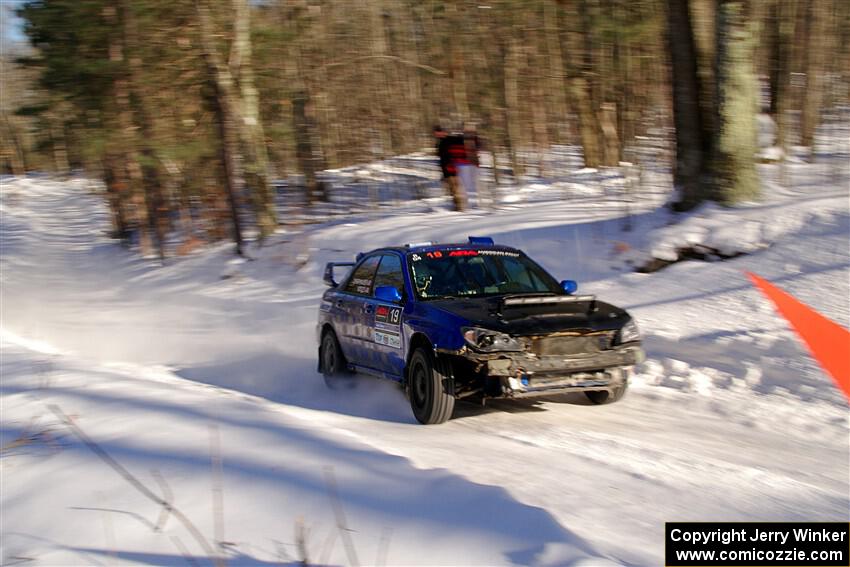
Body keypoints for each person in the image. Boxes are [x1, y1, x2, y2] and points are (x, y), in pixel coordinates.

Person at [433, 125, 466, 211]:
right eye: (436, 133)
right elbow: (443, 158)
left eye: (438, 132)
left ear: (442, 132)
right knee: (453, 189)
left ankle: (459, 208)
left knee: (455, 189)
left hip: (452, 169)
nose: (436, 134)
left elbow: (449, 156)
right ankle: (459, 206)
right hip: (448, 170)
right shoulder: (441, 142)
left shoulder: (449, 140)